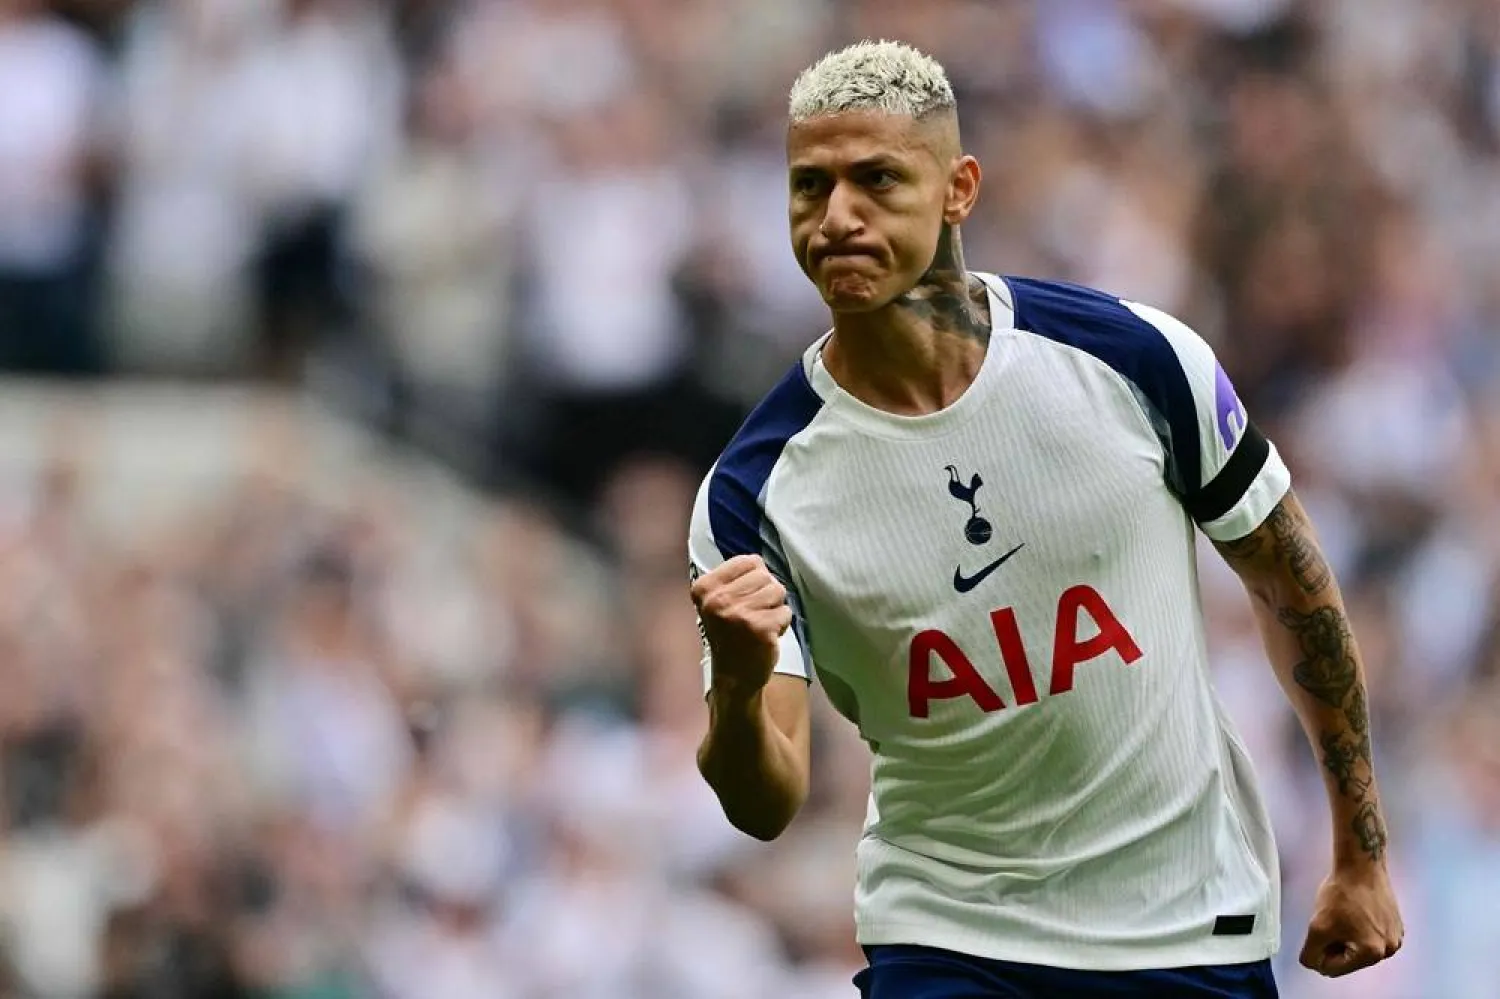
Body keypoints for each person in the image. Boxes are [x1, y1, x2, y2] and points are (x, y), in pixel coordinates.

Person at [686, 40, 1404, 998]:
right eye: (809, 186)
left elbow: (1291, 584)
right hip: (948, 937)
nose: (837, 218)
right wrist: (736, 685)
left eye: (877, 180)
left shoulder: (1134, 359)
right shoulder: (754, 489)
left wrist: (1361, 855)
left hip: (1181, 925)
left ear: (959, 188)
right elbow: (765, 801)